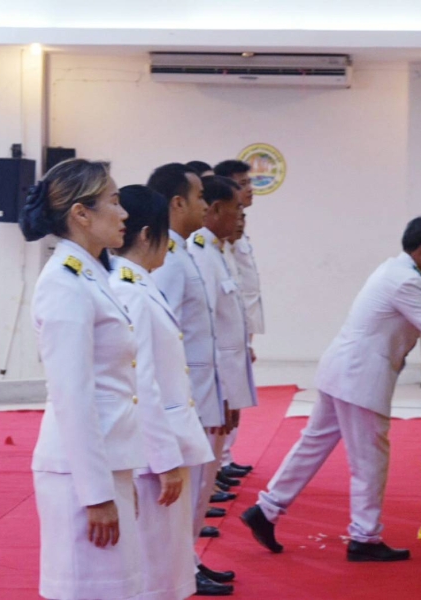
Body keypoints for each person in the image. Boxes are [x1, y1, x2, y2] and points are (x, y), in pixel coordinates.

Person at [241, 217, 421, 562]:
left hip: (343, 370)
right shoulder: (406, 281)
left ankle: (267, 509)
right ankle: (365, 536)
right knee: (369, 459)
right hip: (360, 377)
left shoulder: (395, 271)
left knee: (313, 445)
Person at [20, 158, 147, 599]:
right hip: (83, 473)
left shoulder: (91, 274)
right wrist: (96, 494)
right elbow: (72, 396)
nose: (124, 212)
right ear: (81, 213)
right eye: (113, 201)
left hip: (107, 460)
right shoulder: (64, 283)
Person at [110, 185, 216, 600]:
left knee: (166, 561)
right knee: (154, 565)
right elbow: (142, 383)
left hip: (166, 440)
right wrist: (164, 459)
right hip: (153, 450)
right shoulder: (126, 289)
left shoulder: (141, 283)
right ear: (146, 233)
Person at [147, 163, 235, 597]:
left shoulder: (187, 251)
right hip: (185, 396)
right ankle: (183, 565)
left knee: (201, 486)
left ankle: (190, 560)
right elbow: (163, 338)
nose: (206, 205)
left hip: (201, 390)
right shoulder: (168, 260)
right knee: (190, 489)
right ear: (177, 203)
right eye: (199, 197)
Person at [189, 177, 258, 470]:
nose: (241, 218)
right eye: (237, 209)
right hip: (214, 375)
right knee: (203, 462)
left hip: (226, 372)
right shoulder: (201, 251)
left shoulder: (219, 250)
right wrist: (223, 391)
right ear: (216, 209)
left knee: (212, 458)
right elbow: (207, 326)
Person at [213, 160, 263, 477]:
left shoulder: (238, 232)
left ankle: (225, 457)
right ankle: (220, 462)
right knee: (224, 397)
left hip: (238, 328)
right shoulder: (214, 242)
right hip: (222, 336)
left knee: (234, 396)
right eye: (242, 183)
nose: (249, 189)